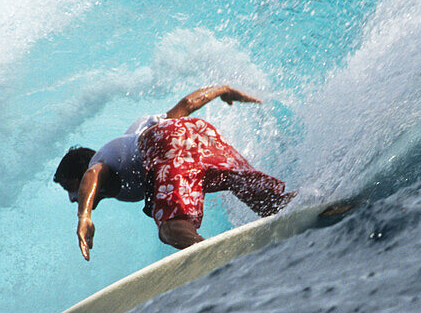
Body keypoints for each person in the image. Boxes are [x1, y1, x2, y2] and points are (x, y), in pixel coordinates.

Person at [54, 85, 294, 260]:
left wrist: (83, 216)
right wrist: (222, 90)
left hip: (164, 143)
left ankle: (219, 257)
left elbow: (93, 174)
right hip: (197, 133)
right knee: (251, 190)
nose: (72, 197)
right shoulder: (132, 136)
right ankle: (297, 205)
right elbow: (187, 106)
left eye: (69, 187)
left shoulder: (99, 159)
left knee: (169, 228)